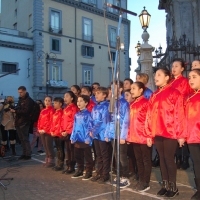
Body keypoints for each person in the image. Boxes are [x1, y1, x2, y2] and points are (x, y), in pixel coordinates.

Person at [145, 68, 186, 198]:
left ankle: (173, 187)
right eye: (155, 75)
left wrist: (180, 134)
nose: (156, 77)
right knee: (161, 159)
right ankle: (165, 185)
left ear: (167, 77)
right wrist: (149, 134)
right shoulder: (154, 95)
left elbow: (180, 114)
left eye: (159, 75)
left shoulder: (175, 93)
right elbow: (149, 115)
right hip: (158, 131)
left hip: (171, 132)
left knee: (168, 159)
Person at [127, 82, 151, 192]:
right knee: (138, 160)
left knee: (145, 160)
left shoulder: (146, 103)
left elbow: (150, 120)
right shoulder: (132, 104)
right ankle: (141, 179)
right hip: (134, 136)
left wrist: (149, 136)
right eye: (131, 88)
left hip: (144, 136)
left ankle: (146, 182)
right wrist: (128, 135)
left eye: (134, 88)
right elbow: (130, 122)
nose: (131, 91)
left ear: (141, 90)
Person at [105, 81, 130, 188]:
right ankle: (119, 175)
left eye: (114, 88)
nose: (112, 90)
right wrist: (107, 133)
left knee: (122, 157)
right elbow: (108, 119)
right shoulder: (111, 102)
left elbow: (126, 120)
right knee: (116, 156)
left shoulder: (124, 103)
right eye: (111, 88)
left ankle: (125, 177)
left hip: (120, 134)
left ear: (120, 89)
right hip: (112, 134)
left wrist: (123, 136)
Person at [170, 58, 191, 170]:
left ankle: (184, 159)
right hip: (170, 113)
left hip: (181, 111)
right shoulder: (170, 82)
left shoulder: (185, 81)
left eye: (176, 66)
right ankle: (177, 158)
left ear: (182, 68)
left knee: (182, 135)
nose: (174, 68)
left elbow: (187, 96)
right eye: (173, 66)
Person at [90, 87, 110, 184]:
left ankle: (105, 174)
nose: (96, 95)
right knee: (98, 155)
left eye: (98, 93)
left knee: (104, 155)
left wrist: (93, 130)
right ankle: (99, 172)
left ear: (104, 95)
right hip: (95, 135)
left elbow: (103, 122)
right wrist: (91, 130)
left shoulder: (106, 106)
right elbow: (91, 120)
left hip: (102, 134)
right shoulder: (95, 107)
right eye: (95, 94)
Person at [71, 95, 94, 180]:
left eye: (81, 101)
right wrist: (73, 137)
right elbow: (74, 126)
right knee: (78, 155)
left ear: (86, 103)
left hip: (85, 139)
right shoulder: (77, 114)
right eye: (78, 101)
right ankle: (80, 170)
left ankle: (89, 171)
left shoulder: (88, 114)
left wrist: (88, 138)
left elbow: (90, 127)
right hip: (78, 138)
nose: (79, 103)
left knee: (87, 156)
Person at [185, 69, 200, 200]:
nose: (191, 80)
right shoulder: (188, 98)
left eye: (194, 77)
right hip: (193, 136)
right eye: (189, 77)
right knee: (196, 163)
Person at [10, 86, 34, 160]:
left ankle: (28, 154)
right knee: (21, 139)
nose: (20, 94)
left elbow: (26, 111)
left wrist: (16, 111)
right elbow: (19, 108)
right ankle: (24, 153)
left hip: (25, 122)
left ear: (25, 91)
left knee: (25, 138)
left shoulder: (28, 100)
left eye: (21, 92)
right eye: (19, 92)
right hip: (19, 121)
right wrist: (14, 108)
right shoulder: (21, 100)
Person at [61, 91, 78, 174]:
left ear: (72, 98)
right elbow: (63, 120)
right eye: (64, 96)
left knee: (71, 150)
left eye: (67, 96)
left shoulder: (74, 108)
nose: (65, 98)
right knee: (67, 149)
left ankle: (72, 166)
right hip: (65, 132)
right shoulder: (65, 108)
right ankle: (68, 165)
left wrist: (67, 131)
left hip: (71, 132)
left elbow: (73, 121)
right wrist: (62, 130)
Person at [38, 96, 55, 167]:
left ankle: (51, 160)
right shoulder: (42, 110)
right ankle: (47, 159)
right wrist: (39, 129)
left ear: (51, 102)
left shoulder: (52, 110)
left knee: (49, 146)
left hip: (48, 131)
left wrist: (45, 129)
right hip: (42, 131)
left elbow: (51, 121)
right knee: (45, 146)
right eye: (46, 100)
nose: (47, 102)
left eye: (49, 101)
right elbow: (39, 120)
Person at [51, 97, 64, 171]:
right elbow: (53, 123)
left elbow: (60, 124)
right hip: (55, 133)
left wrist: (56, 132)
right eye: (54, 103)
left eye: (56, 103)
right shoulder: (55, 112)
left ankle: (60, 164)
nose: (54, 104)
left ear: (60, 104)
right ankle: (58, 163)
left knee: (60, 149)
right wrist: (52, 131)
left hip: (59, 134)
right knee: (58, 149)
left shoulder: (61, 112)